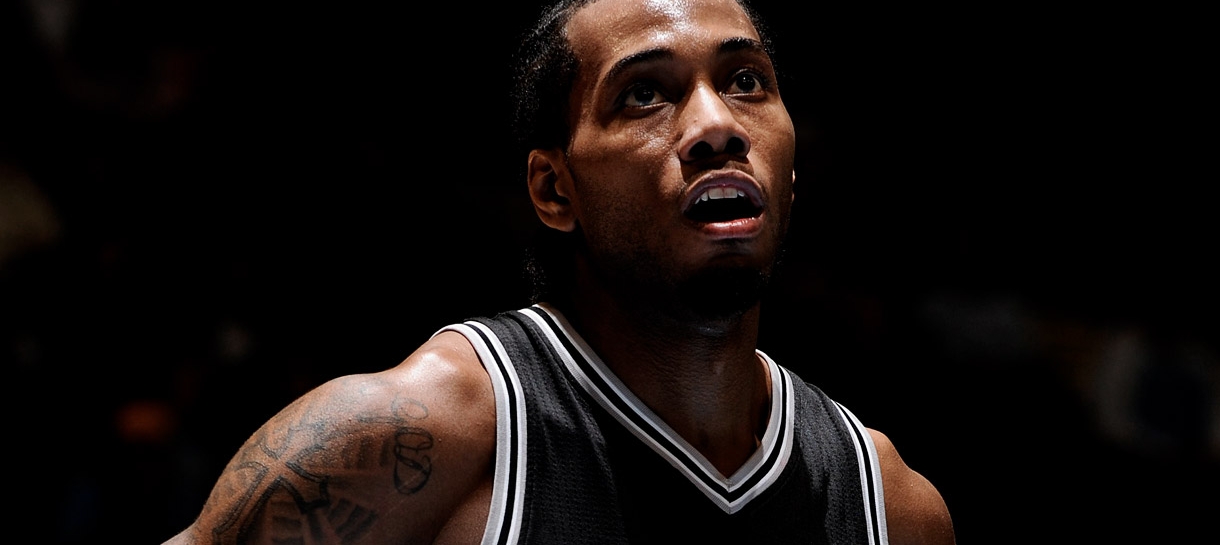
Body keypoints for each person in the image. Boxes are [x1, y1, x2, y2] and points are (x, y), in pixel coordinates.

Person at [164, 0, 955, 542]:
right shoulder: (415, 438)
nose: (717, 125)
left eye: (746, 81)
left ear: (792, 168)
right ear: (553, 189)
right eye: (644, 94)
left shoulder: (890, 504)